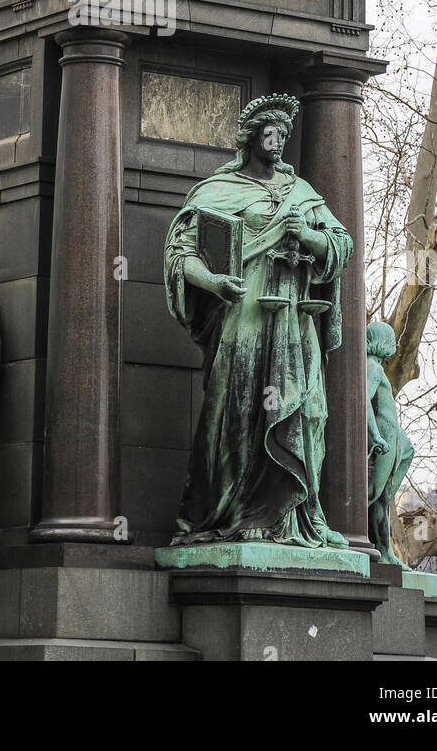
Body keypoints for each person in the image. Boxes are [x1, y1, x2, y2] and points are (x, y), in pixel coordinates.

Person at [164, 93, 353, 547]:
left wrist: (306, 233)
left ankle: (297, 514)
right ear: (251, 138)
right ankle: (227, 511)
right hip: (243, 315)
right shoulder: (217, 191)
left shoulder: (302, 193)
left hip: (294, 317)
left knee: (306, 412)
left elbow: (341, 245)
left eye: (285, 133)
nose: (278, 140)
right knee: (237, 409)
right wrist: (212, 283)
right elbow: (180, 254)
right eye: (270, 131)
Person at [366, 320, 414, 564]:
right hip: (385, 437)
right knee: (378, 494)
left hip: (392, 437)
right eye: (391, 340)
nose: (394, 345)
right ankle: (383, 551)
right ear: (382, 342)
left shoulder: (375, 367)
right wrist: (375, 436)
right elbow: (363, 402)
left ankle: (384, 549)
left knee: (382, 494)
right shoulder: (372, 367)